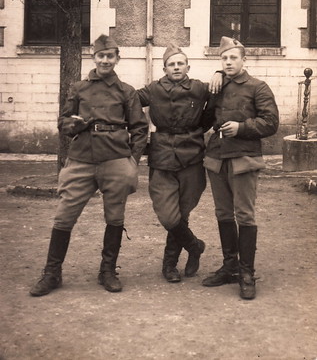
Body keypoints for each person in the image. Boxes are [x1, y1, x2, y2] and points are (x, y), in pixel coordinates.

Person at [30, 35, 148, 296]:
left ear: (117, 59)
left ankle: (107, 271)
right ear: (93, 57)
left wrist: (132, 162)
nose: (105, 60)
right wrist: (73, 124)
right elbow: (62, 122)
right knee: (64, 215)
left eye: (110, 56)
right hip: (81, 159)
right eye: (101, 55)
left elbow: (140, 129)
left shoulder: (127, 91)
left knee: (115, 217)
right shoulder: (78, 88)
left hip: (116, 159)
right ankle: (52, 273)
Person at [201, 36, 279, 299]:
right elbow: (206, 118)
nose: (228, 61)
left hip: (243, 159)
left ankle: (247, 272)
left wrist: (242, 127)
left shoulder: (258, 87)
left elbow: (271, 123)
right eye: (224, 58)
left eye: (233, 57)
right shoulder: (217, 87)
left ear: (244, 60)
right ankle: (230, 266)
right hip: (217, 159)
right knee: (223, 213)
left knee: (244, 215)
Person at [137, 43, 222, 283]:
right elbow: (128, 99)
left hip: (192, 156)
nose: (176, 67)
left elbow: (221, 91)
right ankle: (194, 246)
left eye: (180, 63)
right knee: (168, 215)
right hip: (162, 157)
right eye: (171, 64)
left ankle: (170, 265)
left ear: (187, 66)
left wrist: (220, 73)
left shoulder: (198, 88)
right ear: (164, 68)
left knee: (182, 214)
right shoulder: (153, 89)